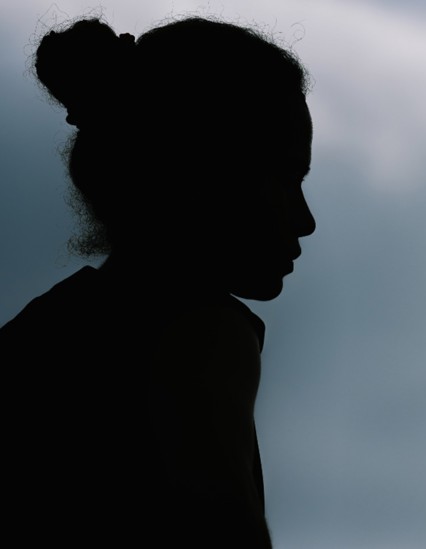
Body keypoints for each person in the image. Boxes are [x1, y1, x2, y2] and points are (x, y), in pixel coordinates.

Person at [0, 16, 315, 548]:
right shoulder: (200, 330)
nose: (305, 219)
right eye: (285, 178)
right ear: (201, 175)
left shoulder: (38, 335)